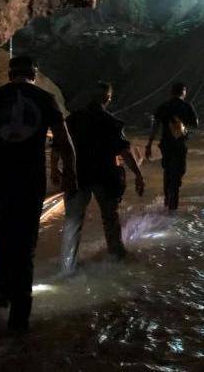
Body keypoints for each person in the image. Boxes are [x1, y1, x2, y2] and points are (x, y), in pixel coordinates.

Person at [0, 56, 76, 332]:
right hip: (29, 178)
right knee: (26, 242)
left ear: (10, 73)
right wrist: (71, 175)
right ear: (34, 74)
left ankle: (1, 291)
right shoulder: (46, 99)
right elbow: (64, 142)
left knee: (5, 226)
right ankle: (19, 316)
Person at [59, 82, 145, 275]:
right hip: (105, 177)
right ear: (108, 98)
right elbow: (124, 151)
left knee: (73, 221)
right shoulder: (112, 122)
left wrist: (57, 172)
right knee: (110, 218)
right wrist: (138, 175)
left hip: (78, 175)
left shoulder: (73, 119)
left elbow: (60, 143)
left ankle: (67, 266)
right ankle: (116, 258)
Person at [145, 82, 198, 210]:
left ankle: (167, 200)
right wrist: (183, 124)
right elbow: (195, 124)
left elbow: (155, 127)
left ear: (171, 92)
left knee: (167, 171)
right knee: (178, 173)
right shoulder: (186, 106)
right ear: (183, 92)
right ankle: (172, 206)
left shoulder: (164, 106)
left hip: (166, 145)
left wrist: (149, 144)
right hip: (179, 145)